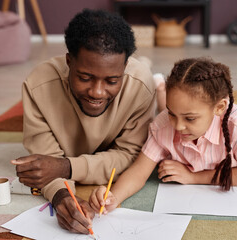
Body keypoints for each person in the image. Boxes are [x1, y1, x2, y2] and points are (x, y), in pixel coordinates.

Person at [10, 9, 156, 234]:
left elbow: (130, 156)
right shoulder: (38, 86)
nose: (97, 92)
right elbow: (45, 161)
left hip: (81, 158)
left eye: (112, 80)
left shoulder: (141, 86)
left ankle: (157, 77)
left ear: (124, 68)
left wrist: (65, 167)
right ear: (69, 61)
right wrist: (61, 195)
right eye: (85, 77)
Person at [89, 57, 237, 215]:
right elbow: (138, 172)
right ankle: (161, 92)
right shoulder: (163, 125)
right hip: (163, 115)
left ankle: (159, 89)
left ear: (219, 108)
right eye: (172, 113)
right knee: (161, 113)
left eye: (190, 118)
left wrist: (193, 177)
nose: (179, 126)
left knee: (166, 113)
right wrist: (113, 196)